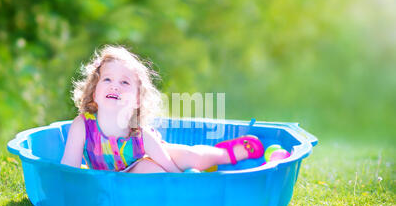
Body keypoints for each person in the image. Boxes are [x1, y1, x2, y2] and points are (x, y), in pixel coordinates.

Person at [61, 45, 264, 173]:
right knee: (147, 171)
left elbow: (170, 169)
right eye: (107, 79)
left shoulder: (140, 134)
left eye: (125, 83)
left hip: (138, 163)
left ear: (137, 100)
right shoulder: (82, 126)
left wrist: (185, 178)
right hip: (113, 176)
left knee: (187, 158)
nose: (115, 86)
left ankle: (225, 154)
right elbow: (68, 169)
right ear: (94, 93)